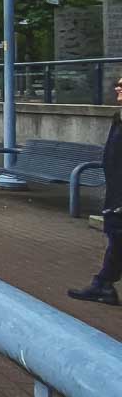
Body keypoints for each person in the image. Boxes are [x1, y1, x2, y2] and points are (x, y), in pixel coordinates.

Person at [69, 76, 122, 306]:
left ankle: (103, 284)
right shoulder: (118, 118)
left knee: (118, 238)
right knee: (117, 238)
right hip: (115, 191)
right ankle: (103, 284)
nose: (118, 85)